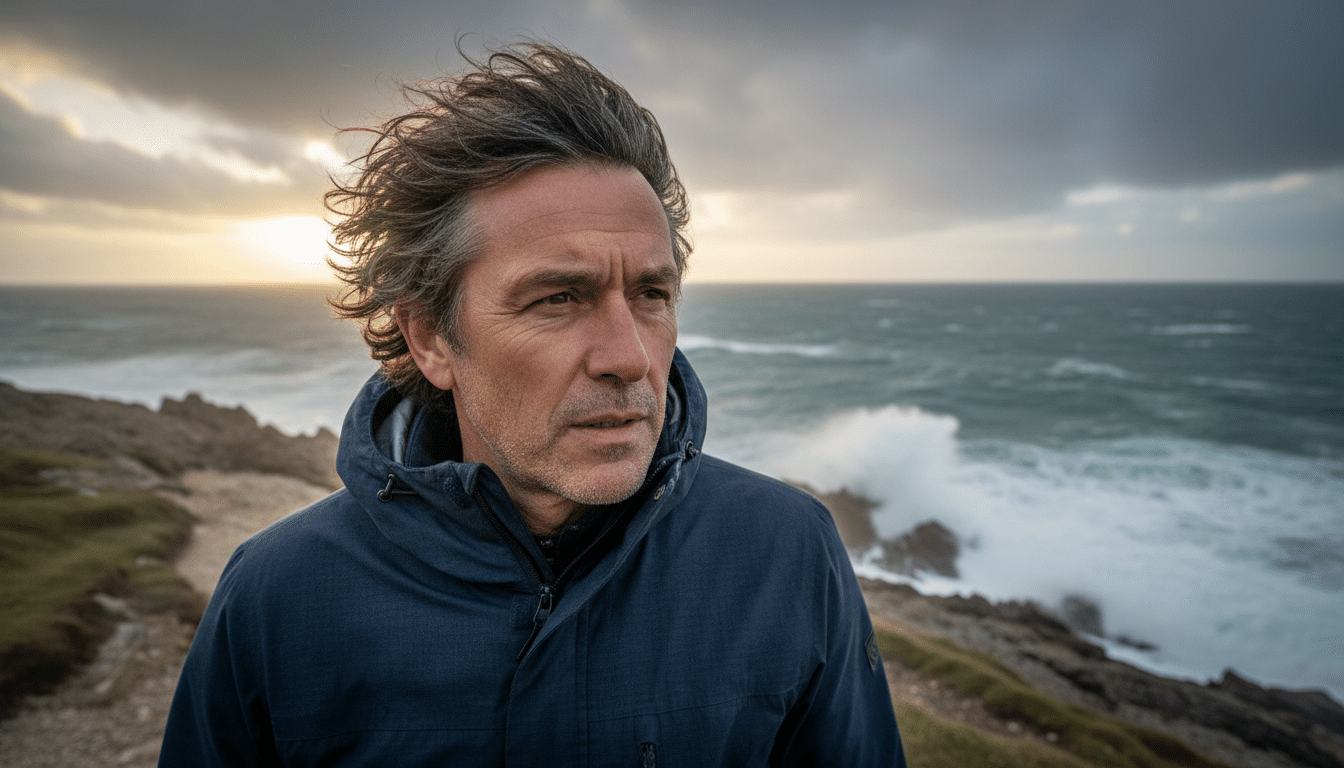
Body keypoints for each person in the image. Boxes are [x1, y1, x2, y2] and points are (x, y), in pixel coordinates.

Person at [159, 42, 905, 767]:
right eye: (558, 298)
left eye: (651, 294)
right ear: (429, 339)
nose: (631, 358)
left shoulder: (787, 551)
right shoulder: (277, 595)